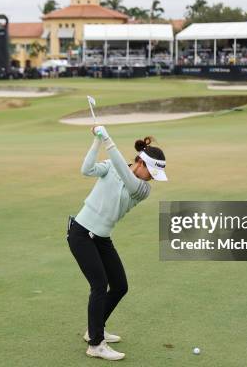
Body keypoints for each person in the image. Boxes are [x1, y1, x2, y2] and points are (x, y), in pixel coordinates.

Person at [67, 126, 167, 361]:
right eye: (151, 172)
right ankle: (95, 344)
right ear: (141, 163)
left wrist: (108, 139)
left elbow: (125, 174)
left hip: (101, 238)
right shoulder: (112, 166)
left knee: (120, 285)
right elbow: (86, 169)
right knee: (100, 285)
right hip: (81, 233)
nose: (152, 178)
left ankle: (95, 328)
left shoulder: (142, 189)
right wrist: (97, 142)